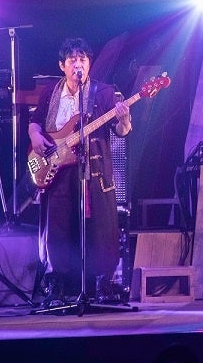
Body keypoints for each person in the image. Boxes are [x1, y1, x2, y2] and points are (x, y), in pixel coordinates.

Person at [28, 37, 131, 302]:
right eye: (72, 59)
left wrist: (124, 119)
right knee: (58, 229)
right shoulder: (50, 92)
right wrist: (36, 137)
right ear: (62, 65)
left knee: (99, 228)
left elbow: (120, 131)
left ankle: (102, 284)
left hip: (93, 171)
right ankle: (59, 285)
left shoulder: (103, 92)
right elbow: (35, 122)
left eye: (83, 59)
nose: (78, 64)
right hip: (58, 170)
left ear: (89, 64)